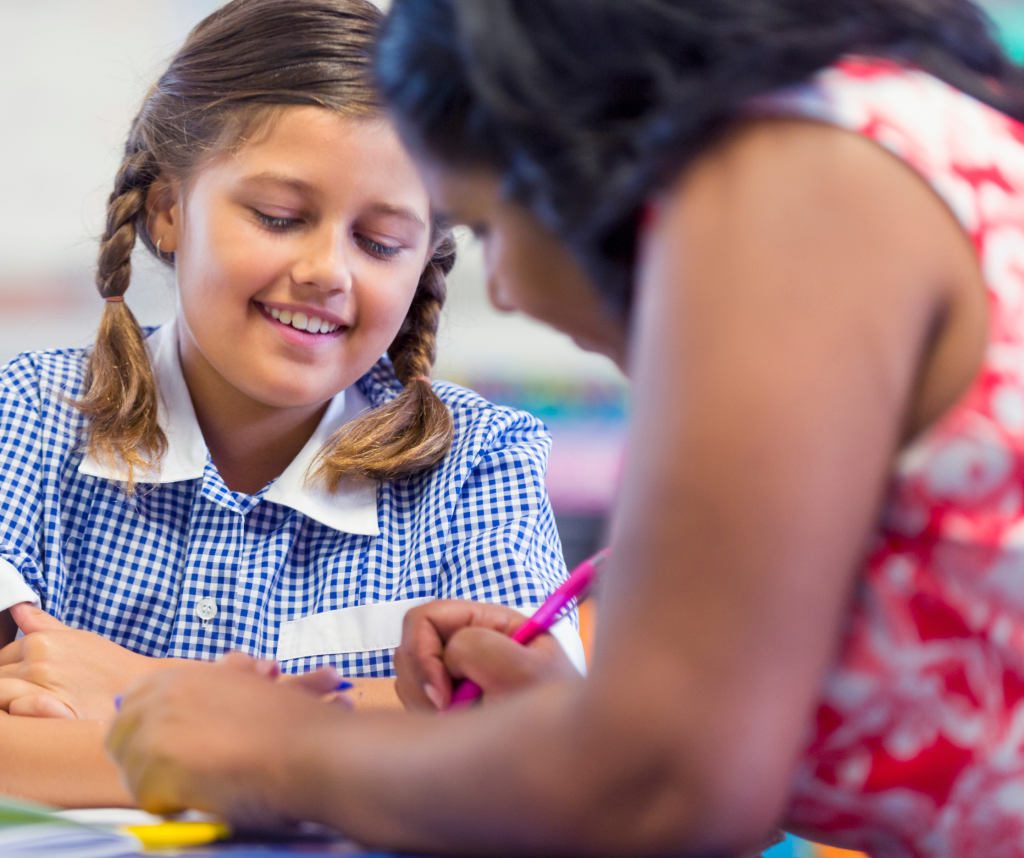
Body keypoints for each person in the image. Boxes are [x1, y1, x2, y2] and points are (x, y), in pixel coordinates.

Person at [106, 0, 1024, 854]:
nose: (505, 288)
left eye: (484, 224)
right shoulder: (870, 144)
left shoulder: (791, 184)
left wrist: (279, 753)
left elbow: (662, 783)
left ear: (572, 137)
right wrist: (570, 726)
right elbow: (691, 752)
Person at [0, 0, 584, 809]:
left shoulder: (478, 463)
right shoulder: (29, 414)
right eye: (279, 217)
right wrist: (382, 731)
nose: (327, 271)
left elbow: (544, 749)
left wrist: (148, 696)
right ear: (169, 210)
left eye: (379, 242)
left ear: (424, 262)